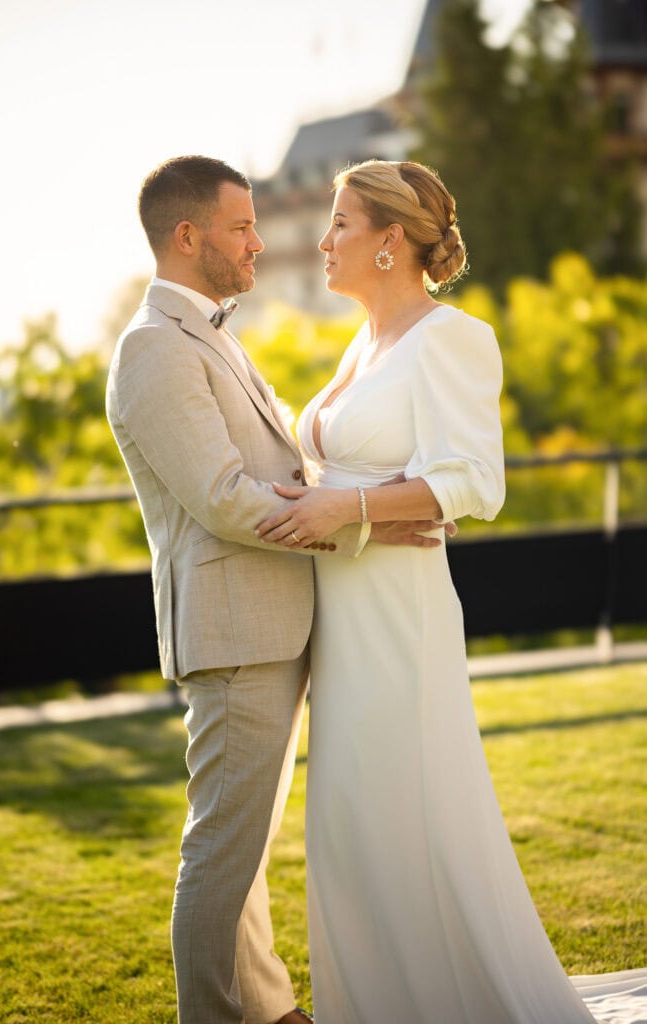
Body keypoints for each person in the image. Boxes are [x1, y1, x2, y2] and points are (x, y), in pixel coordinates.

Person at [256, 159, 647, 1023]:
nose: (323, 242)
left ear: (391, 242)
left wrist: (349, 505)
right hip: (342, 619)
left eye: (341, 224)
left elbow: (473, 480)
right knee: (352, 830)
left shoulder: (453, 337)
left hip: (399, 616)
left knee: (404, 814)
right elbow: (339, 470)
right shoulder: (364, 341)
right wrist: (348, 508)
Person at [105, 155, 441, 1024]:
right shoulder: (152, 349)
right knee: (221, 850)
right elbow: (221, 498)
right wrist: (361, 521)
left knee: (243, 850)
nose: (261, 243)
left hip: (268, 624)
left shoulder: (209, 334)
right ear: (189, 237)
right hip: (232, 632)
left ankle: (267, 1009)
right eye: (242, 227)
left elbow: (278, 468)